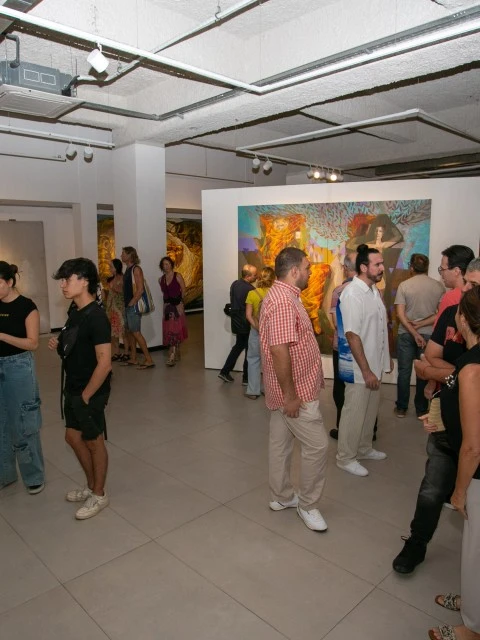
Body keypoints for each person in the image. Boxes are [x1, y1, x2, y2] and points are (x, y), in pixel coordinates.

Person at [392, 258, 480, 574]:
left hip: (472, 436)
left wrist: (438, 373)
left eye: (474, 285)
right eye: (467, 282)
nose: (466, 290)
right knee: (432, 487)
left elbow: (457, 371)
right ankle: (416, 543)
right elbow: (431, 356)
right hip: (446, 421)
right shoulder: (451, 312)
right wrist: (451, 376)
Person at [260, 247, 329, 532]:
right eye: (307, 267)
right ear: (294, 271)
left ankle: (281, 496)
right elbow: (279, 350)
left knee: (280, 443)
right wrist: (290, 396)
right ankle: (307, 505)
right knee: (318, 445)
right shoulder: (283, 302)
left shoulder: (284, 296)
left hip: (287, 391)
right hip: (295, 394)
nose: (311, 272)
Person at [427, 286, 480, 640]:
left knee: (475, 550)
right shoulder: (470, 362)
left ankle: (472, 627)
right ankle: (472, 602)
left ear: (463, 319)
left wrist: (459, 491)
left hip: (478, 473)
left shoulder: (472, 367)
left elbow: (473, 447)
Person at [49, 258, 112, 520]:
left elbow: (105, 363)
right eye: (62, 280)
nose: (63, 285)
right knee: (73, 438)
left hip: (89, 391)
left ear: (85, 281)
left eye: (68, 279)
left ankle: (99, 493)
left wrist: (86, 395)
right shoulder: (75, 311)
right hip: (73, 386)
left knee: (94, 441)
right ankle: (91, 485)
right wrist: (59, 343)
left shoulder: (96, 317)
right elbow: (75, 343)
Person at [335, 244, 393, 477]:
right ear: (363, 267)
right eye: (377, 264)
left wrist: (383, 362)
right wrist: (367, 371)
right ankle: (345, 457)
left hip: (374, 366)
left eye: (382, 263)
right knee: (354, 413)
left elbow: (379, 329)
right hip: (360, 369)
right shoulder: (352, 294)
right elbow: (352, 335)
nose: (382, 268)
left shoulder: (373, 291)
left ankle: (364, 448)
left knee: (369, 412)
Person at [0, 261, 45, 495]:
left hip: (18, 366)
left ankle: (33, 475)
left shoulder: (27, 307)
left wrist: (2, 335)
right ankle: (5, 474)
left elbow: (33, 343)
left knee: (24, 421)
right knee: (1, 422)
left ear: (9, 281)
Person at [394, 253, 445, 418]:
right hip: (429, 334)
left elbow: (400, 314)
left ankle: (401, 408)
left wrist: (413, 329)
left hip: (406, 333)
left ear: (411, 267)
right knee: (424, 371)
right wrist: (422, 325)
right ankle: (421, 409)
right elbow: (440, 314)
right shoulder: (438, 286)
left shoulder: (404, 285)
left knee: (404, 371)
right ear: (427, 267)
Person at [329, 253, 356, 439]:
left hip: (343, 348)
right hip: (365, 349)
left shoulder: (339, 291)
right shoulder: (373, 291)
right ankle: (369, 429)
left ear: (345, 269)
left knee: (341, 387)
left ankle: (343, 428)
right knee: (364, 388)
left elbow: (337, 324)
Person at [218, 264, 257, 384]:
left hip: (236, 322)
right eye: (254, 275)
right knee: (248, 350)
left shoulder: (234, 284)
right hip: (246, 322)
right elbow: (250, 308)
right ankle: (246, 378)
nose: (256, 277)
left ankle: (225, 371)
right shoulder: (250, 289)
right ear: (248, 276)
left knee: (238, 346)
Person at [121, 246, 155, 370]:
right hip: (128, 306)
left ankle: (149, 360)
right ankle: (133, 358)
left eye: (123, 253)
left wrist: (132, 302)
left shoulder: (136, 269)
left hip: (133, 307)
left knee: (136, 332)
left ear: (130, 255)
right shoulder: (127, 269)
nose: (121, 255)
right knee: (131, 333)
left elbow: (140, 289)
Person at [244, 266, 275, 399]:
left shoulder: (252, 293)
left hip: (256, 331)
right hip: (272, 332)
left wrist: (257, 327)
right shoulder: (275, 294)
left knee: (253, 359)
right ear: (273, 278)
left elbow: (248, 315)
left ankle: (253, 391)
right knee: (270, 362)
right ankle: (268, 390)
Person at [159, 256, 188, 367]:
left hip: (176, 307)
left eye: (167, 264)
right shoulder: (161, 279)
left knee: (174, 330)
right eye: (163, 264)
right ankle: (175, 351)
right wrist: (163, 309)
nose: (165, 266)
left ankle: (172, 355)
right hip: (167, 307)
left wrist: (180, 303)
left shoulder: (177, 276)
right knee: (170, 330)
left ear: (171, 264)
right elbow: (165, 295)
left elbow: (183, 290)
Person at [436, 245, 475, 321]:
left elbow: (439, 328)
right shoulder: (474, 295)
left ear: (456, 271)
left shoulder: (450, 297)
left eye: (443, 269)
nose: (441, 274)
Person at [105, 258, 128, 362]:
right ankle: (117, 352)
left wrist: (113, 288)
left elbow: (123, 292)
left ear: (116, 267)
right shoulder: (111, 278)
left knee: (123, 332)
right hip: (112, 308)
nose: (110, 268)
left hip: (120, 308)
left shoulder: (122, 278)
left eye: (111, 267)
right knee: (113, 333)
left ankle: (126, 353)